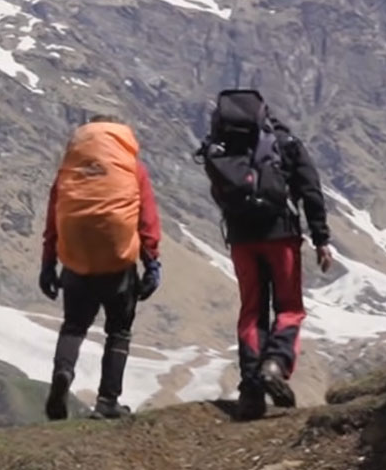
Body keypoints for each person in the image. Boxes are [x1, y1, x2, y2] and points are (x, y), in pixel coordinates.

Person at [193, 89, 333, 421]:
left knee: (252, 312)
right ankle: (276, 364)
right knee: (289, 308)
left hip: (242, 238)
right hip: (280, 235)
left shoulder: (222, 147)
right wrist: (321, 238)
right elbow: (310, 190)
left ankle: (251, 394)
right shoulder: (285, 143)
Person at [38, 114, 163, 421]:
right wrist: (152, 263)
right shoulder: (131, 166)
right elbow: (147, 218)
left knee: (74, 325)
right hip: (117, 262)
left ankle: (63, 374)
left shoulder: (70, 167)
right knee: (118, 331)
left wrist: (47, 263)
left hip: (76, 259)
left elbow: (54, 217)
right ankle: (107, 400)